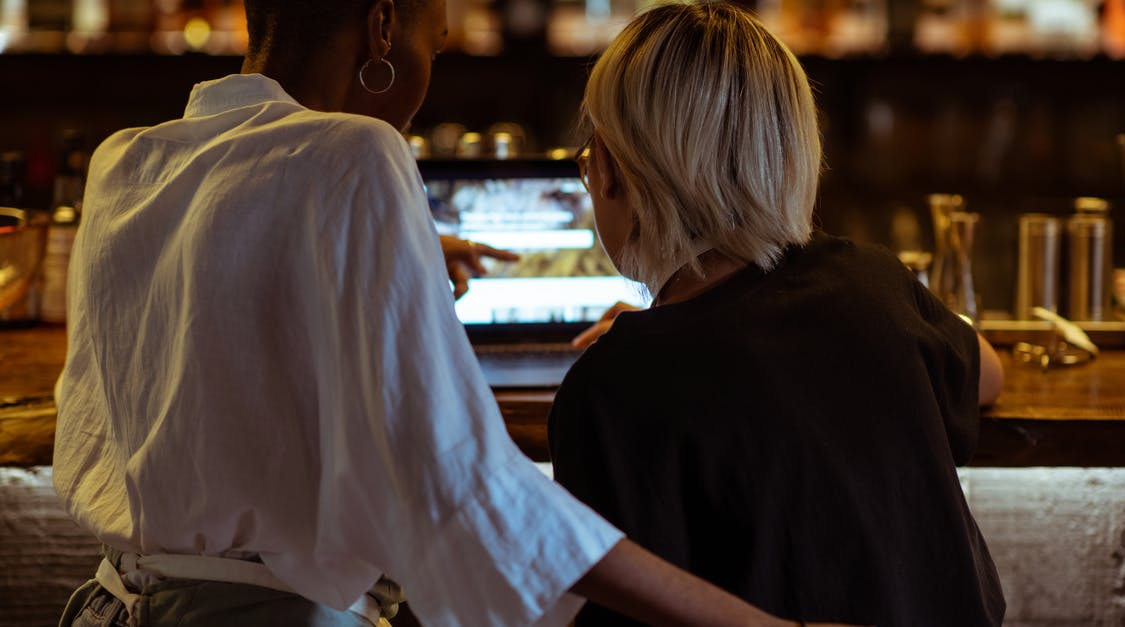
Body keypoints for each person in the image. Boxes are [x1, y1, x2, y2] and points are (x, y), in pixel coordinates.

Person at [50, 0, 815, 625]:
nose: (427, 76)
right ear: (383, 27)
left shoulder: (126, 159)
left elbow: (142, 386)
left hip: (109, 606)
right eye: (434, 44)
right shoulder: (360, 153)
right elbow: (465, 488)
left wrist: (385, 261)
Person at [548, 3, 1007, 626]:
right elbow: (988, 375)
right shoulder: (871, 281)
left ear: (610, 171)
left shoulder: (611, 387)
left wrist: (647, 342)